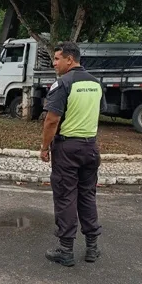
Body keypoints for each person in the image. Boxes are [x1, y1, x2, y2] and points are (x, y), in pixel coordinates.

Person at [39, 41, 107, 267]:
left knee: (66, 196)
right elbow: (98, 112)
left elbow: (52, 120)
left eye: (57, 59)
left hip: (67, 148)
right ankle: (92, 248)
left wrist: (44, 147)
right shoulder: (96, 84)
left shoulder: (62, 84)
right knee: (87, 196)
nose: (54, 63)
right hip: (90, 147)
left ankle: (65, 250)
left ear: (70, 59)